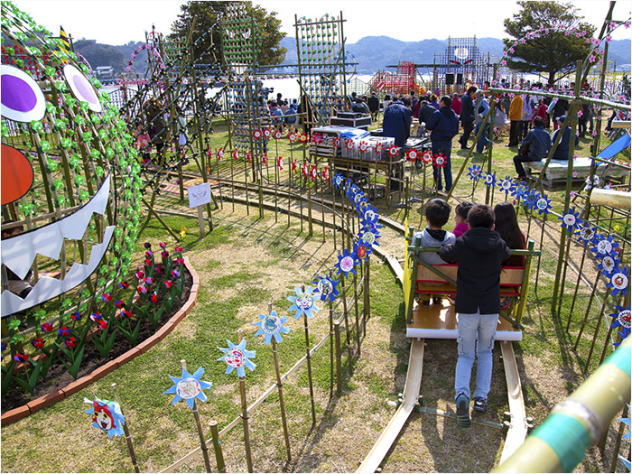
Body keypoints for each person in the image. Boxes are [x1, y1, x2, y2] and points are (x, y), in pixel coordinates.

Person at [439, 205, 511, 427]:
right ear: (492, 225)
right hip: (489, 307)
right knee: (486, 351)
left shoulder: (463, 242)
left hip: (467, 305)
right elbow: (507, 254)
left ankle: (462, 395)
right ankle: (481, 398)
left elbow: (446, 253)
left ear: (468, 224)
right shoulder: (498, 244)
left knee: (465, 354)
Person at [426, 95, 459, 192]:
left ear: (443, 102)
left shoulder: (438, 113)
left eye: (440, 101)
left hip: (437, 141)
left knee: (437, 164)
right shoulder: (454, 115)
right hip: (447, 142)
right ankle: (449, 187)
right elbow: (456, 130)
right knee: (446, 164)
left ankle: (438, 187)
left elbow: (429, 126)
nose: (439, 103)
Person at [413, 198, 456, 264]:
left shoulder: (418, 237)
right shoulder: (451, 238)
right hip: (444, 273)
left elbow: (412, 256)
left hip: (422, 273)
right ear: (446, 220)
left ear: (427, 218)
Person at [2, 222, 34, 298]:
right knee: (30, 295)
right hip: (15, 282)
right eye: (18, 232)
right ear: (6, 235)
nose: (21, 235)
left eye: (22, 232)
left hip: (29, 278)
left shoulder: (21, 245)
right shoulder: (3, 249)